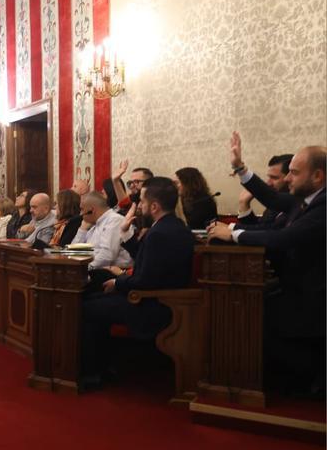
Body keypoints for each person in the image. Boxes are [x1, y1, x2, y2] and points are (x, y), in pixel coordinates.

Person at [208, 133, 325, 397]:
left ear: (318, 176)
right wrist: (240, 167)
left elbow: (283, 239)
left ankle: (313, 376)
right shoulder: (307, 200)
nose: (287, 179)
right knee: (249, 310)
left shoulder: (323, 205)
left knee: (251, 318)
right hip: (299, 289)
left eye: (294, 173)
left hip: (315, 299)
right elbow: (271, 199)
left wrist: (234, 234)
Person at [80, 177, 194, 386]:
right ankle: (105, 366)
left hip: (154, 304)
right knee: (93, 297)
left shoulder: (160, 233)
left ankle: (93, 373)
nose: (139, 205)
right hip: (154, 296)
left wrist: (118, 282)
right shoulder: (171, 226)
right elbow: (146, 259)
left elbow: (145, 279)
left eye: (141, 201)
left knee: (86, 307)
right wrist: (125, 233)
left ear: (154, 206)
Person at [71, 192, 133, 270]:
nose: (81, 214)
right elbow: (73, 252)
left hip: (112, 272)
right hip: (96, 269)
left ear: (91, 210)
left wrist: (86, 268)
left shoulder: (114, 220)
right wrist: (82, 230)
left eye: (82, 209)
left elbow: (107, 255)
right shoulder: (95, 224)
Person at [237, 153, 293, 227]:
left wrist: (231, 229)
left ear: (290, 177)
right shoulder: (274, 205)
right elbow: (260, 227)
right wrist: (244, 203)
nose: (268, 183)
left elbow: (270, 232)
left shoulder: (298, 204)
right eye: (269, 177)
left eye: (274, 178)